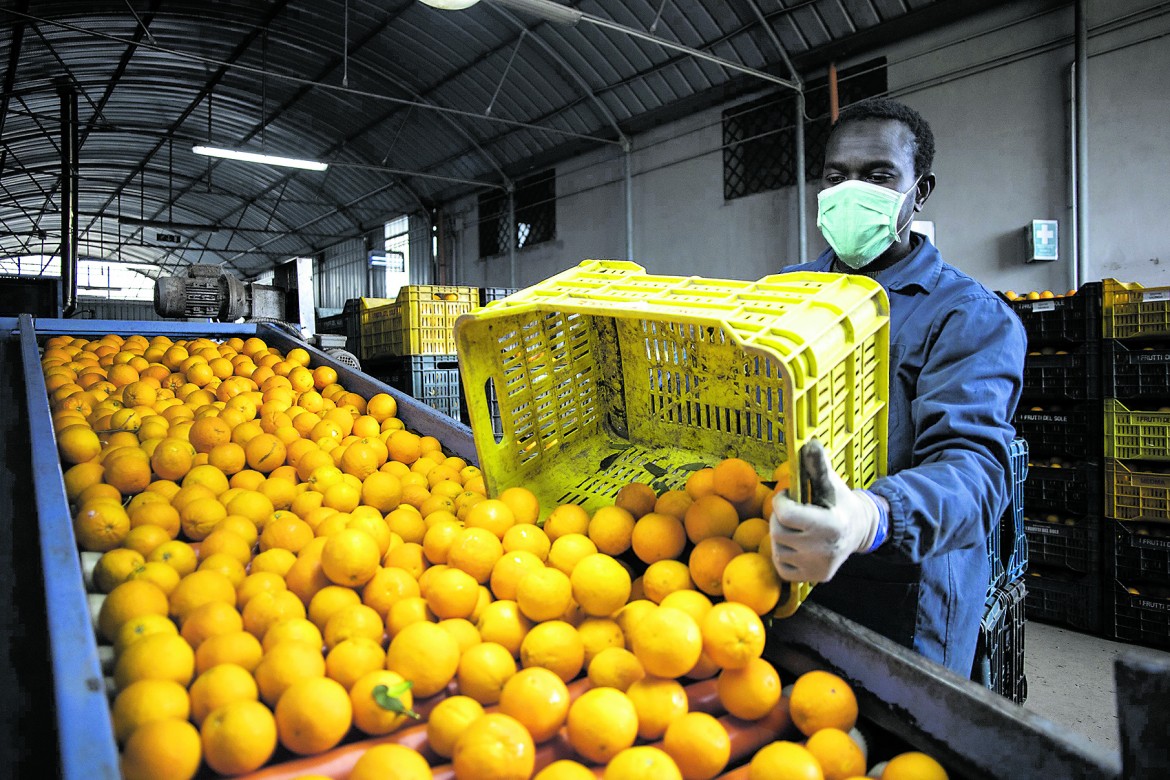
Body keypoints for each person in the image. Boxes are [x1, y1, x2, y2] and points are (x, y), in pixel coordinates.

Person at [770, 97, 1026, 676]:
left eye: (879, 175)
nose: (850, 190)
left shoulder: (965, 316)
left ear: (920, 190)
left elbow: (977, 472)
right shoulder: (783, 296)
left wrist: (867, 517)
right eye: (837, 176)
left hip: (904, 596)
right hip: (790, 570)